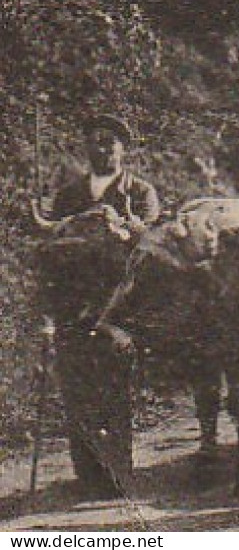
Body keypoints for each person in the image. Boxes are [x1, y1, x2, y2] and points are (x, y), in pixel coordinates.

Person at [35, 113, 161, 499]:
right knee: (75, 386)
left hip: (119, 304)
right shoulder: (70, 194)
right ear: (86, 147)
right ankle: (85, 474)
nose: (102, 148)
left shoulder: (139, 191)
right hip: (74, 303)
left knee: (113, 384)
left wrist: (122, 226)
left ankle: (117, 469)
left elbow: (152, 240)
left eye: (110, 142)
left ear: (124, 149)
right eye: (95, 141)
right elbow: (49, 249)